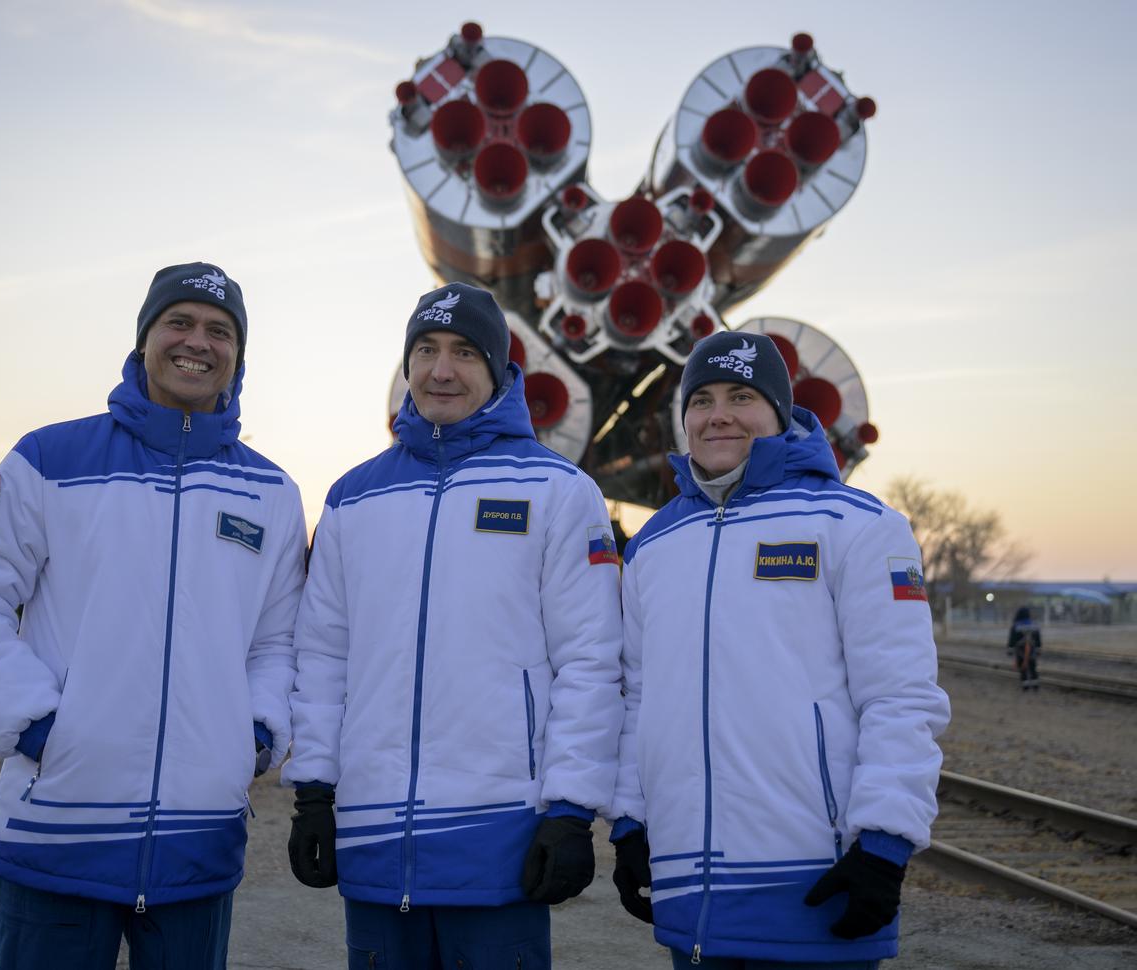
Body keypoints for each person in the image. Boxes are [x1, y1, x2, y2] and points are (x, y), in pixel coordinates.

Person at [0, 262, 307, 970]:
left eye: (220, 331)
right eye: (179, 323)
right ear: (144, 341)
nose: (198, 342)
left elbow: (277, 640)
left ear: (238, 357)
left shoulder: (270, 493)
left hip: (199, 837)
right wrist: (39, 725)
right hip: (57, 828)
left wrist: (251, 735)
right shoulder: (49, 460)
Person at [285, 282, 624, 969]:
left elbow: (591, 659)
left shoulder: (558, 491)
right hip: (376, 838)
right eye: (426, 350)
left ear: (499, 369)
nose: (442, 369)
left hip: (501, 840)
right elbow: (322, 655)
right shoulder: (354, 498)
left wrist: (569, 810)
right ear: (407, 366)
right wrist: (314, 791)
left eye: (465, 352)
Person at [608, 331, 951, 968]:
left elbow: (900, 698)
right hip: (693, 892)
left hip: (816, 880)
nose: (720, 414)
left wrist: (883, 843)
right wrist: (630, 822)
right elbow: (637, 698)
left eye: (742, 396)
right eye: (702, 399)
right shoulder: (654, 545)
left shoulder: (859, 526)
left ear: (780, 411)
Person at [1007, 606, 1041, 691]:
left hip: (1020, 650)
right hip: (1032, 650)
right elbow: (1038, 638)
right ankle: (1035, 685)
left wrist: (1010, 649)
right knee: (1033, 667)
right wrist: (1038, 649)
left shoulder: (1016, 626)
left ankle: (1025, 686)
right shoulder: (1034, 625)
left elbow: (1012, 639)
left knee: (1023, 668)